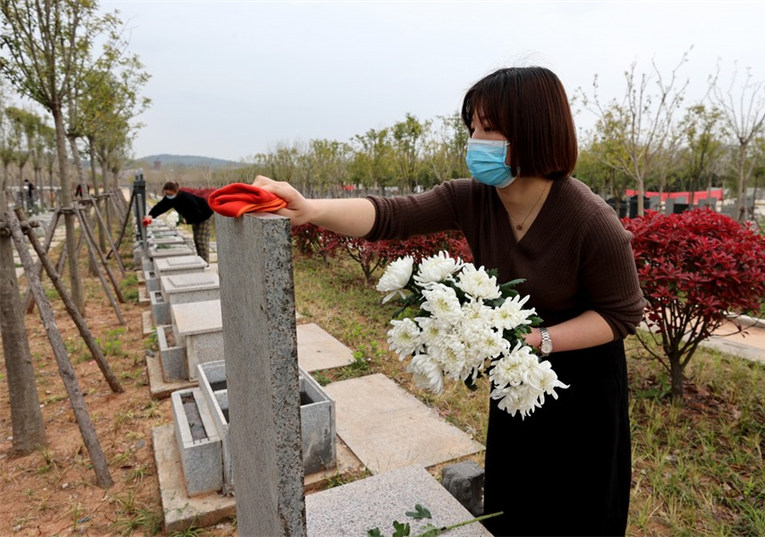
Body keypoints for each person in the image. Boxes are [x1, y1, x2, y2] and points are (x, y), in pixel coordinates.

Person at [254, 66, 645, 536]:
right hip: (514, 375)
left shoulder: (590, 220)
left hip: (580, 382)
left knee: (577, 509)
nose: (475, 140)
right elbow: (390, 215)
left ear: (533, 132)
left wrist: (536, 341)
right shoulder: (475, 198)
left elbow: (622, 314)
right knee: (514, 503)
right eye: (473, 127)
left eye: (489, 127)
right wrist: (312, 210)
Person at [143, 181, 214, 262]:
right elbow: (161, 206)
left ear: (176, 192)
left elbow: (197, 211)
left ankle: (205, 262)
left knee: (201, 240)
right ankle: (201, 260)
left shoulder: (186, 197)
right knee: (196, 239)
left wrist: (187, 219)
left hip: (204, 214)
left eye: (170, 194)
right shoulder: (169, 199)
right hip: (194, 217)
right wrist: (151, 215)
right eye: (166, 194)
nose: (168, 196)